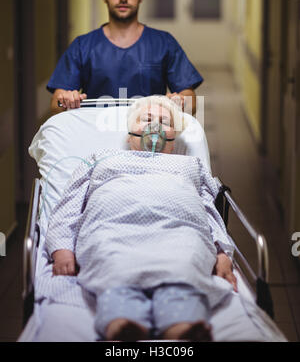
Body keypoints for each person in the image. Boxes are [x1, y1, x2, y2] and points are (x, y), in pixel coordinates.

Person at [46, 96, 237, 341]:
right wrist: (61, 248)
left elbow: (211, 211)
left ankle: (182, 328)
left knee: (185, 263)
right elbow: (69, 204)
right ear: (128, 135)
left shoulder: (190, 165)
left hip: (180, 234)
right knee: (113, 263)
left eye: (164, 122)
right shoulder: (102, 158)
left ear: (174, 136)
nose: (154, 126)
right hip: (111, 232)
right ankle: (123, 325)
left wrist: (222, 252)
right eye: (146, 119)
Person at [48, 0, 203, 115]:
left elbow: (191, 103)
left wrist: (180, 102)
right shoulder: (83, 46)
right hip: (97, 133)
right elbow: (56, 104)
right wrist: (66, 100)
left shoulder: (163, 43)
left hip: (148, 134)